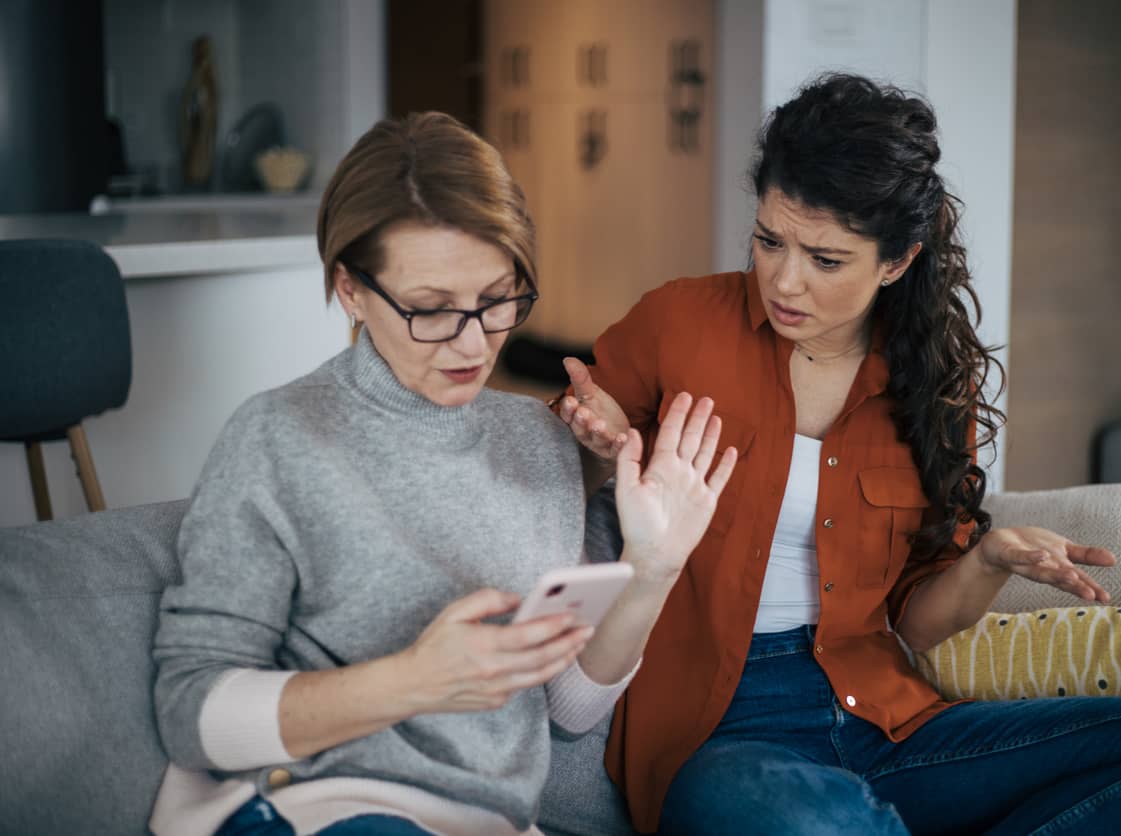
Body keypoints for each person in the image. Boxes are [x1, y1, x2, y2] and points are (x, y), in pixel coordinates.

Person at [557, 73, 1121, 835]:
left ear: (896, 262)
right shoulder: (680, 320)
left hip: (883, 719)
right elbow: (593, 443)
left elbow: (914, 627)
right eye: (769, 241)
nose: (784, 281)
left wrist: (987, 562)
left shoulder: (928, 387)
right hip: (723, 739)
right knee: (774, 817)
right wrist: (595, 432)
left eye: (826, 260)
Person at [148, 112, 736, 836]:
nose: (471, 341)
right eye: (429, 310)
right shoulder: (278, 438)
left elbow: (569, 712)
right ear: (351, 291)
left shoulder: (538, 442)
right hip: (313, 807)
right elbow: (189, 713)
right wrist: (414, 682)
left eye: (497, 299)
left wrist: (653, 566)